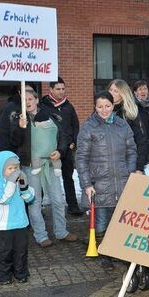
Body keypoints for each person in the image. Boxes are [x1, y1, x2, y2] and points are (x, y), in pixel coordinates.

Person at [76, 91, 137, 268]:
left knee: (121, 219)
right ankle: (104, 254)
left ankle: (118, 250)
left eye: (107, 106)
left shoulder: (122, 125)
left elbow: (131, 151)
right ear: (95, 107)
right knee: (101, 220)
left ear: (113, 105)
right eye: (100, 106)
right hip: (99, 183)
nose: (104, 110)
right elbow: (81, 158)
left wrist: (130, 171)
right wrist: (86, 184)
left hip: (121, 181)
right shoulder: (88, 127)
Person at [9, 89, 77, 247]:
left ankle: (61, 231)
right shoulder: (17, 119)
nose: (28, 102)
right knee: (35, 201)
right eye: (24, 100)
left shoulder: (51, 116)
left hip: (52, 164)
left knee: (58, 200)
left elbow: (63, 135)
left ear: (37, 100)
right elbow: (15, 142)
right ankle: (41, 235)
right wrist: (20, 127)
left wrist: (60, 151)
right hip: (31, 166)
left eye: (30, 98)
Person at [0, 151, 35, 284]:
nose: (14, 171)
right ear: (0, 169)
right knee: (6, 252)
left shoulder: (18, 181)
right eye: (10, 168)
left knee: (21, 251)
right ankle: (3, 276)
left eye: (16, 168)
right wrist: (10, 183)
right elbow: (3, 199)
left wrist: (24, 187)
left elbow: (30, 199)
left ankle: (21, 273)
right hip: (5, 225)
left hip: (21, 223)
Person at [40, 77, 83, 216]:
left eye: (63, 89)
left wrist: (73, 142)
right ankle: (38, 207)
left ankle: (72, 206)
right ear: (50, 89)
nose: (61, 92)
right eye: (58, 89)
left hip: (66, 150)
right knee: (43, 179)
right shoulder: (42, 106)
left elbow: (75, 126)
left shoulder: (68, 106)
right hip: (49, 150)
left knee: (68, 177)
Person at [108, 79, 149, 173]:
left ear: (123, 94)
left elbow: (142, 141)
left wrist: (139, 167)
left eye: (116, 91)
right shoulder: (101, 111)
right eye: (110, 90)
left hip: (128, 165)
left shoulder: (130, 113)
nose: (111, 93)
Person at [0, 84, 36, 152]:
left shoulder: (39, 108)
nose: (28, 93)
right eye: (26, 91)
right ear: (19, 92)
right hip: (14, 152)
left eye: (31, 91)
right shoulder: (9, 108)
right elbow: (3, 133)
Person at [29, 110, 63, 177]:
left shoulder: (37, 126)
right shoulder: (54, 126)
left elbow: (32, 129)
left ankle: (37, 167)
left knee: (35, 156)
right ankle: (57, 168)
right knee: (55, 159)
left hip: (39, 151)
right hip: (53, 150)